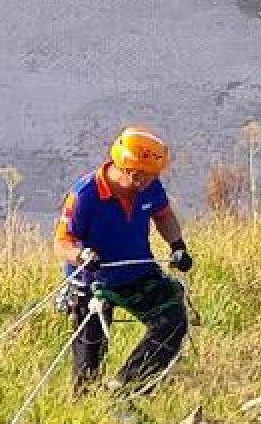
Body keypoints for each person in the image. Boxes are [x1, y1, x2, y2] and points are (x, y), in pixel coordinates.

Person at [53, 127, 193, 393]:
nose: (154, 181)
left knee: (172, 323)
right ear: (133, 174)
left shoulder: (150, 188)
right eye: (150, 176)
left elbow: (163, 216)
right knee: (88, 366)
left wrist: (177, 245)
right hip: (92, 283)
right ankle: (88, 406)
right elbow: (62, 241)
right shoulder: (84, 195)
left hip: (138, 272)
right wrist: (80, 255)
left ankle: (126, 388)